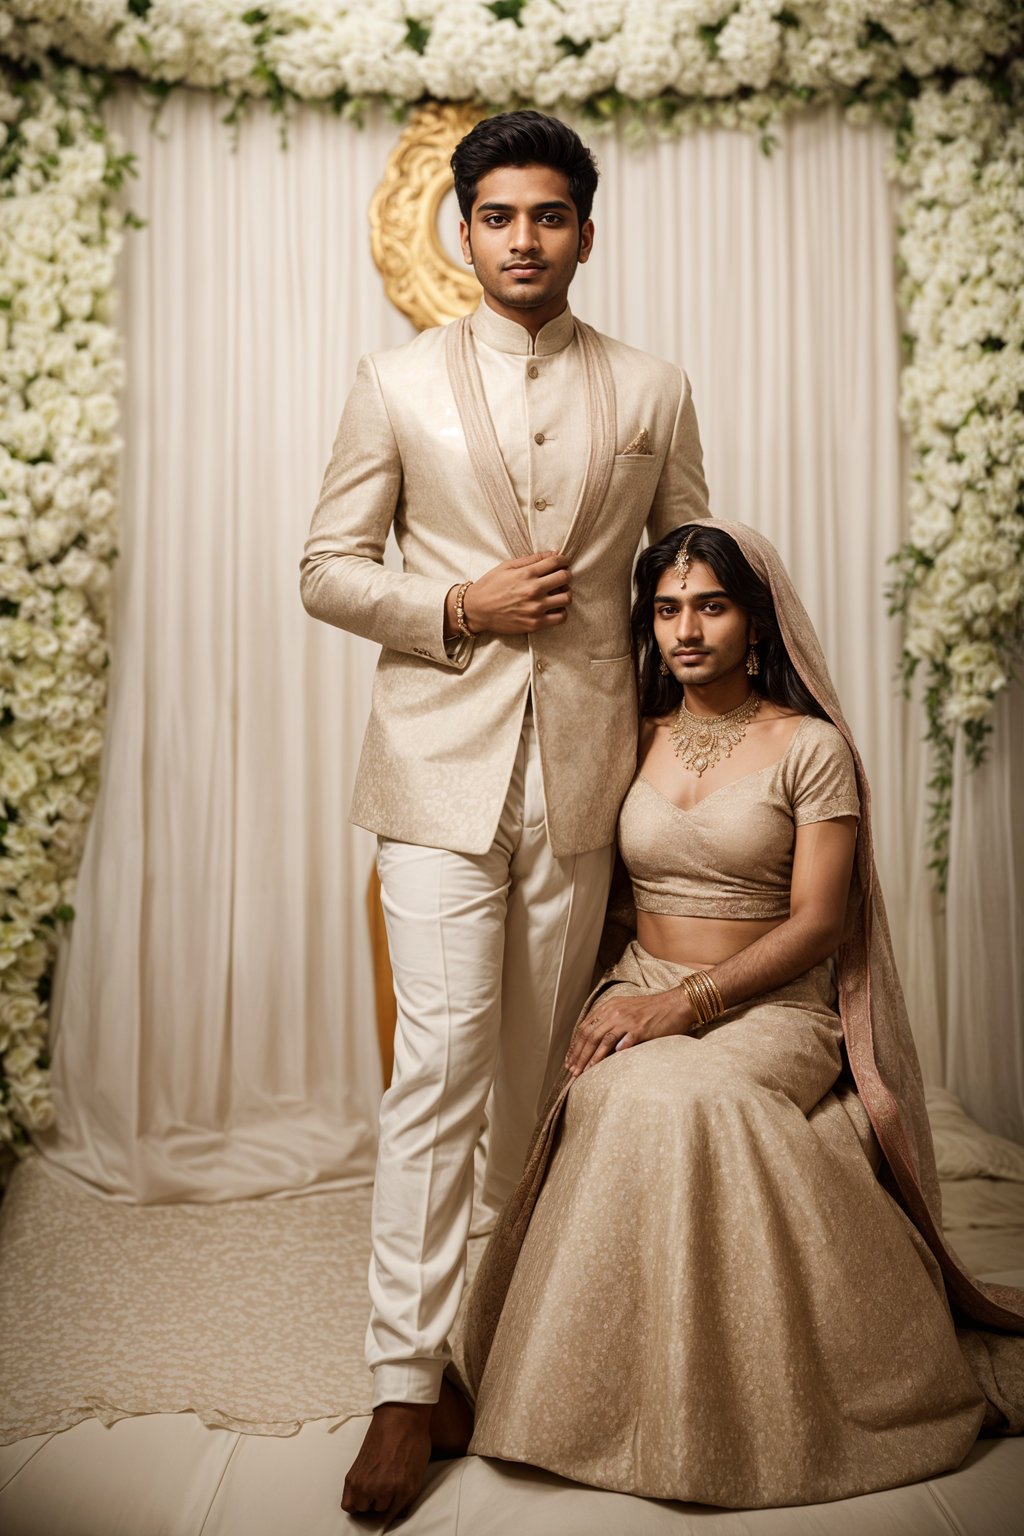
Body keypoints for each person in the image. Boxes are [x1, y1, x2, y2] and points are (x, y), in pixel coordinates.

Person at [299, 111, 709, 1517]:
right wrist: (458, 606)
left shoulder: (653, 386)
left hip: (592, 783)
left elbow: (684, 587)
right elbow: (327, 568)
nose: (522, 240)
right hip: (434, 775)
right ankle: (404, 1388)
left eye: (548, 216)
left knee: (537, 1089)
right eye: (497, 217)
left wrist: (702, 758)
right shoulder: (395, 380)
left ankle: (493, 1353)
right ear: (460, 229)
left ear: (585, 229)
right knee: (440, 1075)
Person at [460, 520, 1024, 1509]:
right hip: (639, 986)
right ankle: (589, 1400)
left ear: (755, 624)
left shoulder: (809, 748)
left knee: (696, 1102)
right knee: (619, 1099)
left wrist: (690, 1003)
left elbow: (815, 924)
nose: (686, 628)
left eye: (710, 605)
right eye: (668, 608)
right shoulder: (627, 737)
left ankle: (764, 1407)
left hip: (771, 1007)